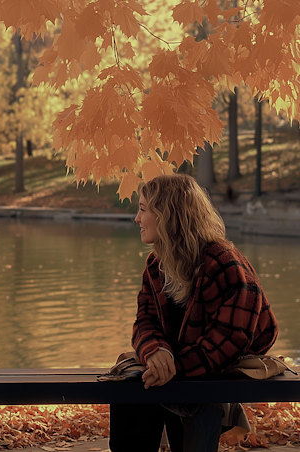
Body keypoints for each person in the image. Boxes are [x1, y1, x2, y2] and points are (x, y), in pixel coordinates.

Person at [109, 174, 279, 452]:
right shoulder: (156, 264)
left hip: (215, 372)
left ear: (167, 215)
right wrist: (155, 352)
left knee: (199, 400)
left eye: (142, 209)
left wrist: (171, 368)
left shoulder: (225, 263)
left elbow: (229, 340)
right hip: (175, 368)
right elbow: (144, 321)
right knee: (128, 389)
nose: (136, 219)